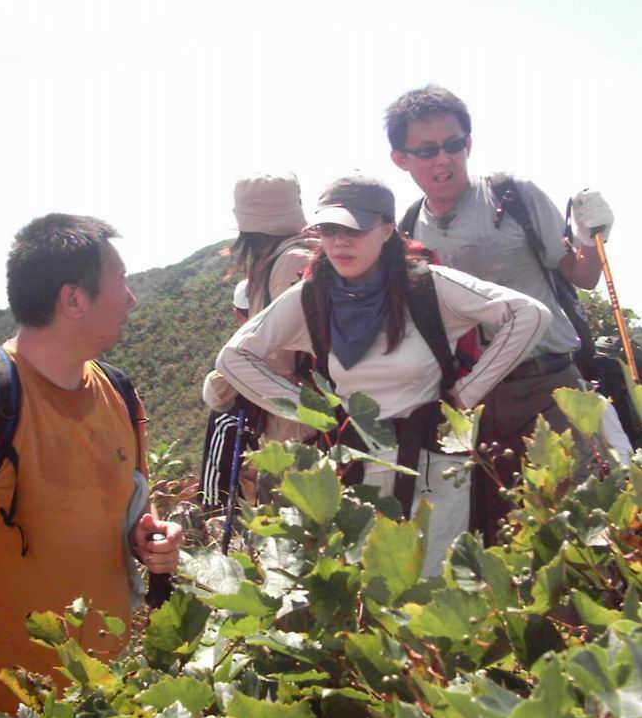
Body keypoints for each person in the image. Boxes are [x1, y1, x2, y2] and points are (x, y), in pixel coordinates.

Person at [0, 214, 182, 718]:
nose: (132, 298)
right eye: (121, 282)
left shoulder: (118, 392)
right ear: (73, 299)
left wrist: (152, 538)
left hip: (108, 712)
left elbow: (133, 510)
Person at [215, 174, 551, 578]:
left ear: (388, 229)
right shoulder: (311, 297)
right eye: (330, 230)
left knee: (436, 586)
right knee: (372, 589)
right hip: (358, 466)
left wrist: (464, 395)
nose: (341, 242)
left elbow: (530, 315)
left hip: (435, 467)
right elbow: (234, 358)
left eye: (355, 229)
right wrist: (310, 410)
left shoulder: (428, 286)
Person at [385, 85, 616, 542]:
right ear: (400, 159)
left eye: (453, 144)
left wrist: (592, 238)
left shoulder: (513, 195)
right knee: (498, 537)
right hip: (471, 403)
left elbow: (583, 275)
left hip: (548, 387)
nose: (443, 159)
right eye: (427, 150)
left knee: (581, 525)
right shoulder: (408, 228)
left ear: (469, 143)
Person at [204, 171, 319, 444]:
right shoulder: (289, 257)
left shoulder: (289, 263)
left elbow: (273, 358)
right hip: (301, 420)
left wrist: (219, 386)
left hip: (299, 430)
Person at [200, 280, 260, 512]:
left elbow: (215, 474)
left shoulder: (229, 391)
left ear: (238, 315)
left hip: (259, 511)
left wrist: (212, 508)